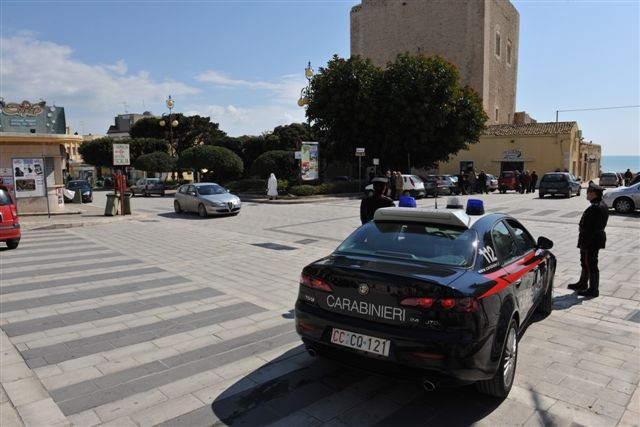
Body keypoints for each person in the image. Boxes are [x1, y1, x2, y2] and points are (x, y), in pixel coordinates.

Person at [568, 181, 609, 297]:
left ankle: (593, 289)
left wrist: (585, 243)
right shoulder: (601, 204)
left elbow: (590, 228)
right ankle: (583, 283)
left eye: (588, 192)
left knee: (590, 263)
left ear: (594, 194)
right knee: (586, 262)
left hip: (591, 240)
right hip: (594, 238)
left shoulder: (595, 208)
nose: (587, 194)